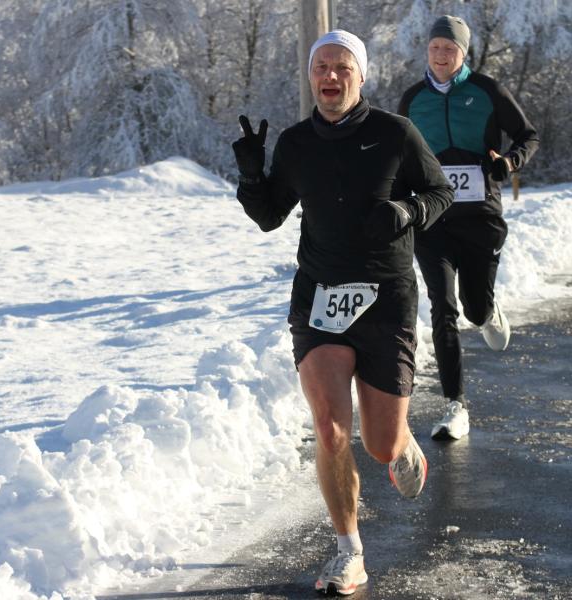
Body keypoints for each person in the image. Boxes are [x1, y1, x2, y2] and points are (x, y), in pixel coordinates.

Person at [231, 30, 454, 596]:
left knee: (378, 443)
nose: (330, 77)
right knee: (330, 428)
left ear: (361, 75)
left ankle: (400, 446)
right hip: (320, 301)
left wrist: (406, 212)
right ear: (311, 76)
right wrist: (253, 177)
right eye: (321, 67)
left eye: (341, 67)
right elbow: (269, 216)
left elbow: (440, 192)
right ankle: (349, 551)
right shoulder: (297, 141)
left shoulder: (394, 134)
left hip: (386, 300)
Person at [397, 15, 539, 440]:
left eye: (450, 49)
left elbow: (528, 136)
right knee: (442, 305)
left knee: (473, 308)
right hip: (434, 220)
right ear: (427, 50)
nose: (442, 55)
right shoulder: (412, 100)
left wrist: (509, 163)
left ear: (464, 53)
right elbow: (399, 157)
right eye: (436, 47)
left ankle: (487, 309)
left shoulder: (487, 91)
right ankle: (455, 405)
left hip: (480, 219)